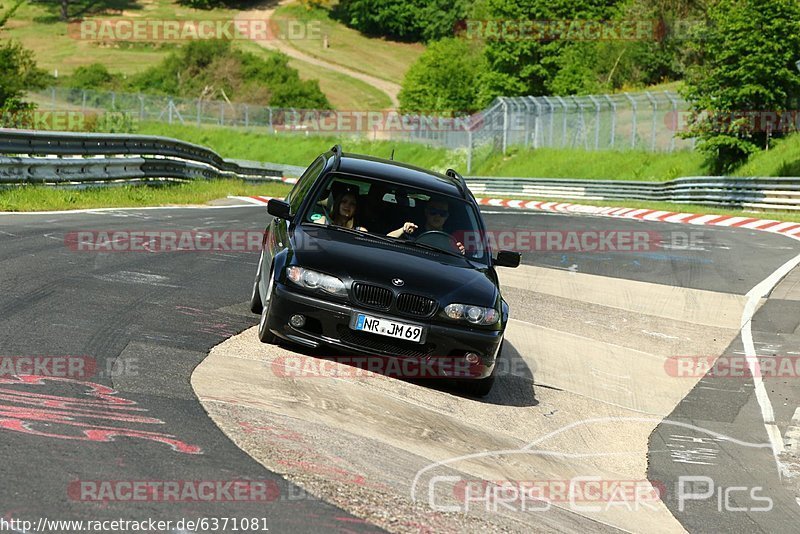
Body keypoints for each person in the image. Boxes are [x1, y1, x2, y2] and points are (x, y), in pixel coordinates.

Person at [388, 198, 465, 254]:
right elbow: (388, 240)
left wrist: (459, 252)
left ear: (447, 216)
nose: (437, 216)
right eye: (433, 211)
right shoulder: (413, 230)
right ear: (426, 212)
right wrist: (402, 230)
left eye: (442, 213)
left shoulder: (452, 239)